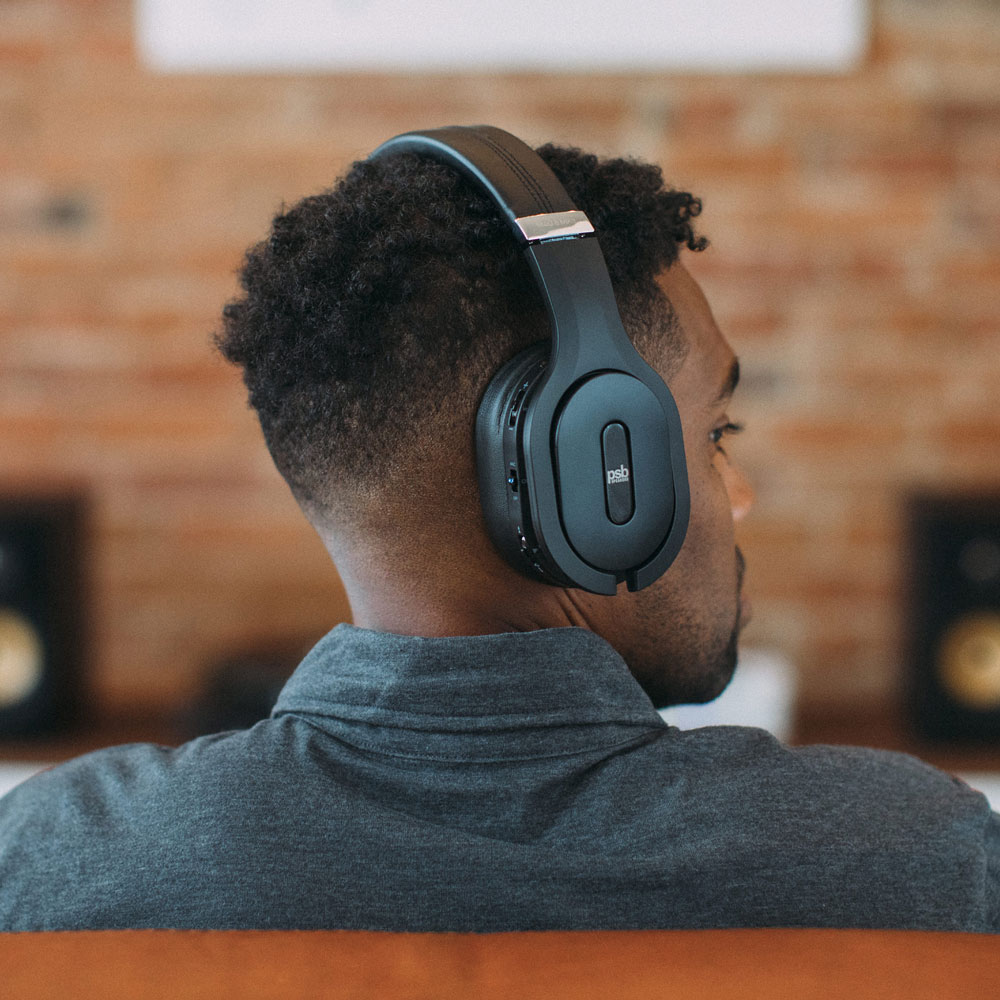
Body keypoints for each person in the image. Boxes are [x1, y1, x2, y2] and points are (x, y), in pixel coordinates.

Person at [0, 128, 997, 932]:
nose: (738, 497)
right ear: (598, 471)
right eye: (715, 436)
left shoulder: (49, 864)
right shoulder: (919, 863)